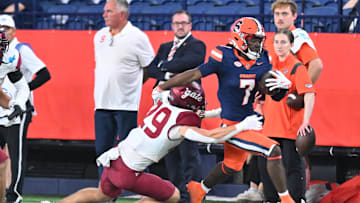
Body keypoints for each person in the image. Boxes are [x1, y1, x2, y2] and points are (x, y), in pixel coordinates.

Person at [154, 17, 295, 203]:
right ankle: (286, 200)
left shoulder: (263, 58)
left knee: (232, 165)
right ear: (240, 38)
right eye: (253, 40)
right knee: (273, 150)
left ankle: (199, 189)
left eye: (259, 40)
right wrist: (163, 87)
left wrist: (280, 89)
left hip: (250, 121)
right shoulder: (223, 56)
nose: (257, 45)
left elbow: (269, 94)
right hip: (232, 125)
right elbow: (194, 73)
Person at [58, 82, 264, 203]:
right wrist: (243, 125)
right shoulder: (180, 126)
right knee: (173, 196)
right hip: (129, 172)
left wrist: (218, 112)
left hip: (114, 159)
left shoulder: (163, 101)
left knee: (100, 195)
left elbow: (174, 100)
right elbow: (210, 136)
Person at [146, 9, 206, 203]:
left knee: (189, 151)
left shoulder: (197, 45)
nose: (180, 26)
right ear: (172, 26)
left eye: (183, 23)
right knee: (169, 151)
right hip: (165, 106)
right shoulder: (164, 47)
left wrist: (165, 66)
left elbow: (191, 62)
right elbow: (152, 69)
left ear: (190, 25)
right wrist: (167, 72)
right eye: (177, 23)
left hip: (188, 104)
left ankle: (193, 195)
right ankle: (177, 194)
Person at [93, 0, 154, 178]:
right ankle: (105, 194)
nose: (104, 14)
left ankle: (148, 192)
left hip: (126, 105)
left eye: (109, 11)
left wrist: (133, 85)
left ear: (122, 14)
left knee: (132, 152)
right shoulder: (100, 36)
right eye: (105, 11)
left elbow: (150, 66)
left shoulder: (137, 37)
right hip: (102, 103)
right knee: (102, 152)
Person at [257, 29, 316, 203]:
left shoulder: (297, 67)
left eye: (283, 42)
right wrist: (259, 108)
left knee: (292, 169)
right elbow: (262, 93)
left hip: (290, 128)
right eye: (277, 42)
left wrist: (306, 122)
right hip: (269, 128)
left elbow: (310, 94)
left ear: (291, 45)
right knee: (267, 169)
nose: (280, 46)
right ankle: (270, 199)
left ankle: (297, 199)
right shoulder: (269, 66)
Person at [0, 14, 51, 203]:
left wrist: (21, 97)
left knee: (15, 154)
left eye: (6, 28)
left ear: (13, 31)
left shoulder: (18, 52)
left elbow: (43, 74)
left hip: (15, 110)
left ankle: (14, 195)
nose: (3, 32)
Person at [0, 29, 30, 203]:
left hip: (8, 116)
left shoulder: (10, 58)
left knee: (6, 160)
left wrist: (16, 104)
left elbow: (21, 85)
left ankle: (13, 196)